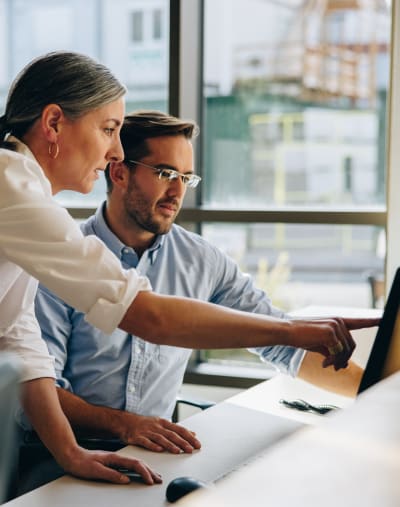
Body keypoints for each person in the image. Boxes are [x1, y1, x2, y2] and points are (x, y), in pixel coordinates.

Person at [0, 51, 377, 488]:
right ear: (53, 124)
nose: (115, 152)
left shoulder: (26, 200)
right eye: (108, 129)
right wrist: (292, 330)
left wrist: (72, 453)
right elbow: (148, 316)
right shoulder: (13, 190)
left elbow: (20, 341)